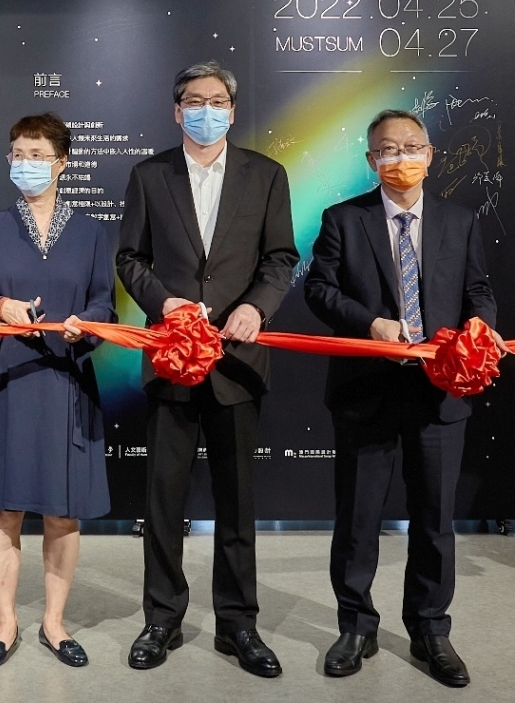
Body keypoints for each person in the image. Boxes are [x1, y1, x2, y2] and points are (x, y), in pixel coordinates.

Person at [304, 109, 507, 687]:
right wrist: (370, 324)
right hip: (365, 391)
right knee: (358, 518)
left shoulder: (460, 220)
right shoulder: (344, 219)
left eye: (411, 147)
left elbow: (478, 289)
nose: (401, 158)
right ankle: (355, 626)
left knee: (435, 519)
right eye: (388, 150)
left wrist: (481, 323)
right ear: (372, 160)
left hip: (439, 394)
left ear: (430, 154)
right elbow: (318, 290)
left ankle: (430, 630)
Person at [117, 61, 298, 676]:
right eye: (194, 101)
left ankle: (238, 624)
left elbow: (280, 258)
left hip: (238, 362)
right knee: (164, 501)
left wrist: (256, 306)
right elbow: (130, 257)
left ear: (232, 109)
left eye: (217, 100)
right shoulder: (149, 175)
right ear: (177, 110)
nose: (206, 110)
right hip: (171, 358)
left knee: (237, 502)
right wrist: (162, 303)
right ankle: (161, 619)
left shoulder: (266, 175)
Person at [0, 112, 115, 669]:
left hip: (65, 378)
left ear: (61, 163)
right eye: (17, 154)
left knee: (63, 512)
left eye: (37, 155)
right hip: (4, 379)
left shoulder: (91, 232)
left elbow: (104, 304)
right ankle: (5, 624)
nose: (26, 164)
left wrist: (85, 325)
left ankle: (54, 623)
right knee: (4, 510)